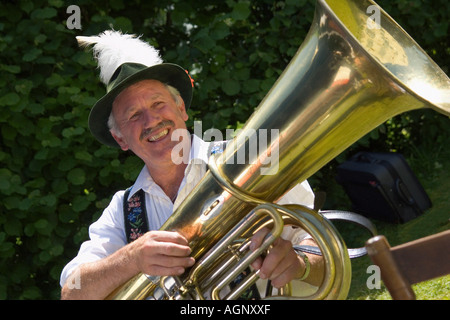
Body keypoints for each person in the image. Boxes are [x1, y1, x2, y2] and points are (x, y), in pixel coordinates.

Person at [60, 30, 324, 300]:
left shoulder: (250, 161)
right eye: (134, 115)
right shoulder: (122, 209)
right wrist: (132, 258)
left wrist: (301, 265)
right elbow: (72, 292)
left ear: (182, 109)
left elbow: (321, 247)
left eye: (158, 104)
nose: (151, 122)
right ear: (120, 138)